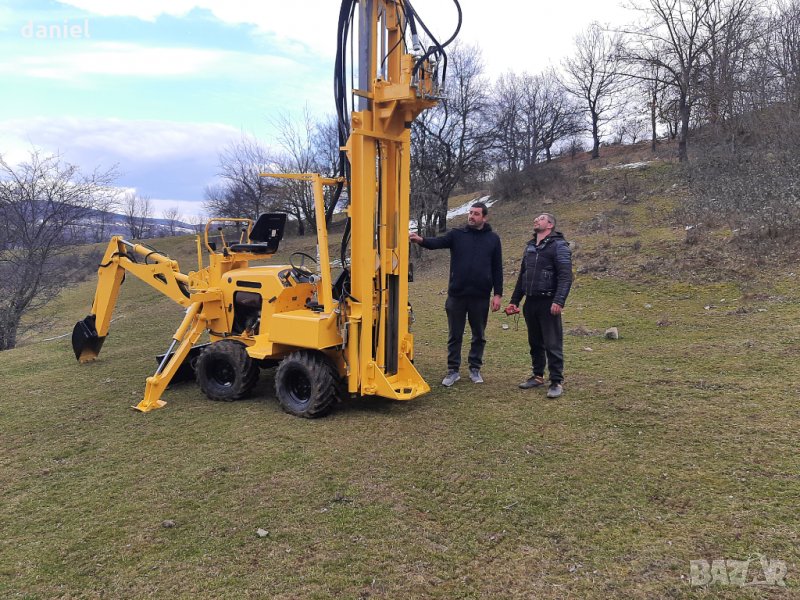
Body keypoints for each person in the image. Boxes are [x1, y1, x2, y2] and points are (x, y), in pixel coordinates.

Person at [409, 201, 503, 386]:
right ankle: (453, 370)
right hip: (457, 295)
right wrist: (420, 240)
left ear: (484, 217)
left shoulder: (493, 239)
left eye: (476, 214)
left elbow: (497, 268)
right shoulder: (457, 235)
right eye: (470, 213)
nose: (471, 216)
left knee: (479, 335)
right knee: (455, 335)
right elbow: (438, 243)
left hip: (480, 296)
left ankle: (475, 368)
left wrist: (498, 294)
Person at [506, 213, 572, 399]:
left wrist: (559, 301)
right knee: (535, 342)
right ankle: (537, 376)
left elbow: (566, 276)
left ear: (550, 225)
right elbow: (523, 276)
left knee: (552, 343)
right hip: (531, 302)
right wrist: (514, 301)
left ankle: (556, 381)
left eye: (541, 218)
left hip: (548, 302)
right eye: (535, 218)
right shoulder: (530, 246)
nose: (536, 220)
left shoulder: (559, 245)